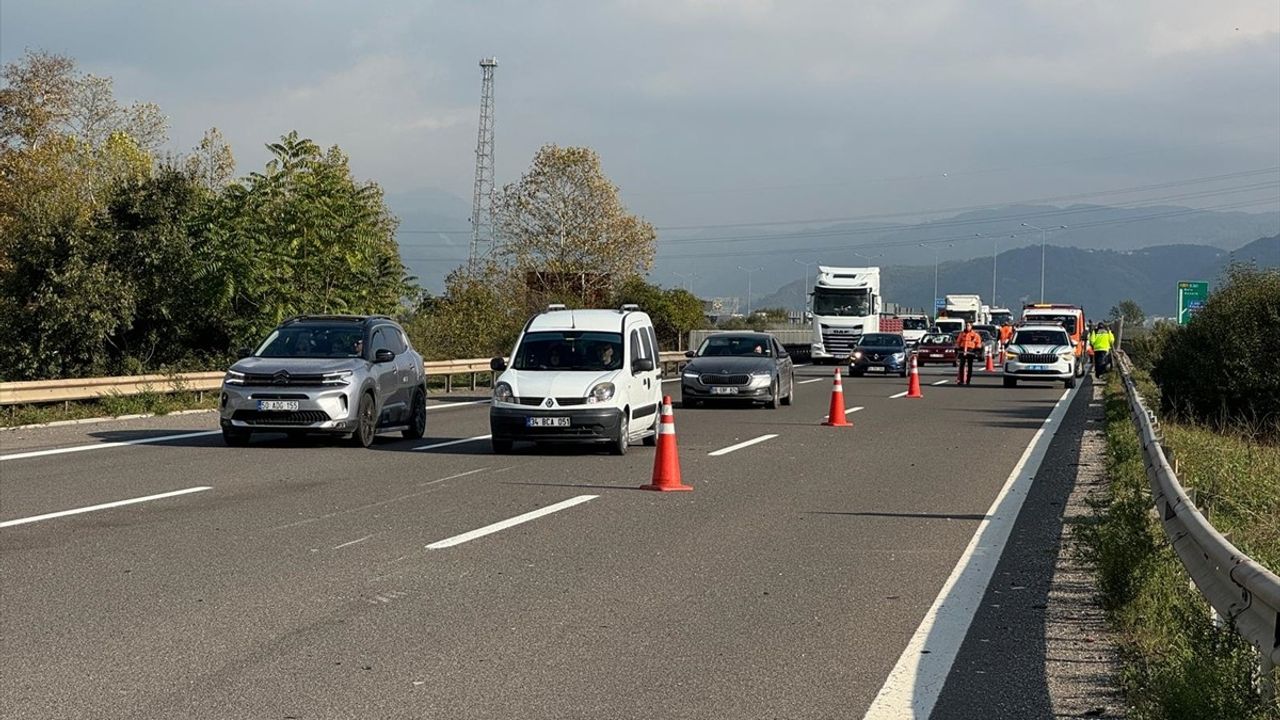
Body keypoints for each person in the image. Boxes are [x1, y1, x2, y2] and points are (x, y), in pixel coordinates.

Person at [954, 321, 984, 385]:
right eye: (966, 325)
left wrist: (977, 350)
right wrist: (957, 348)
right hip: (963, 350)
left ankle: (968, 381)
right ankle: (961, 380)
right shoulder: (962, 334)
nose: (967, 327)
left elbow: (978, 343)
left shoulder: (975, 334)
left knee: (970, 366)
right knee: (961, 365)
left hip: (971, 351)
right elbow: (958, 342)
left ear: (971, 326)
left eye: (968, 325)